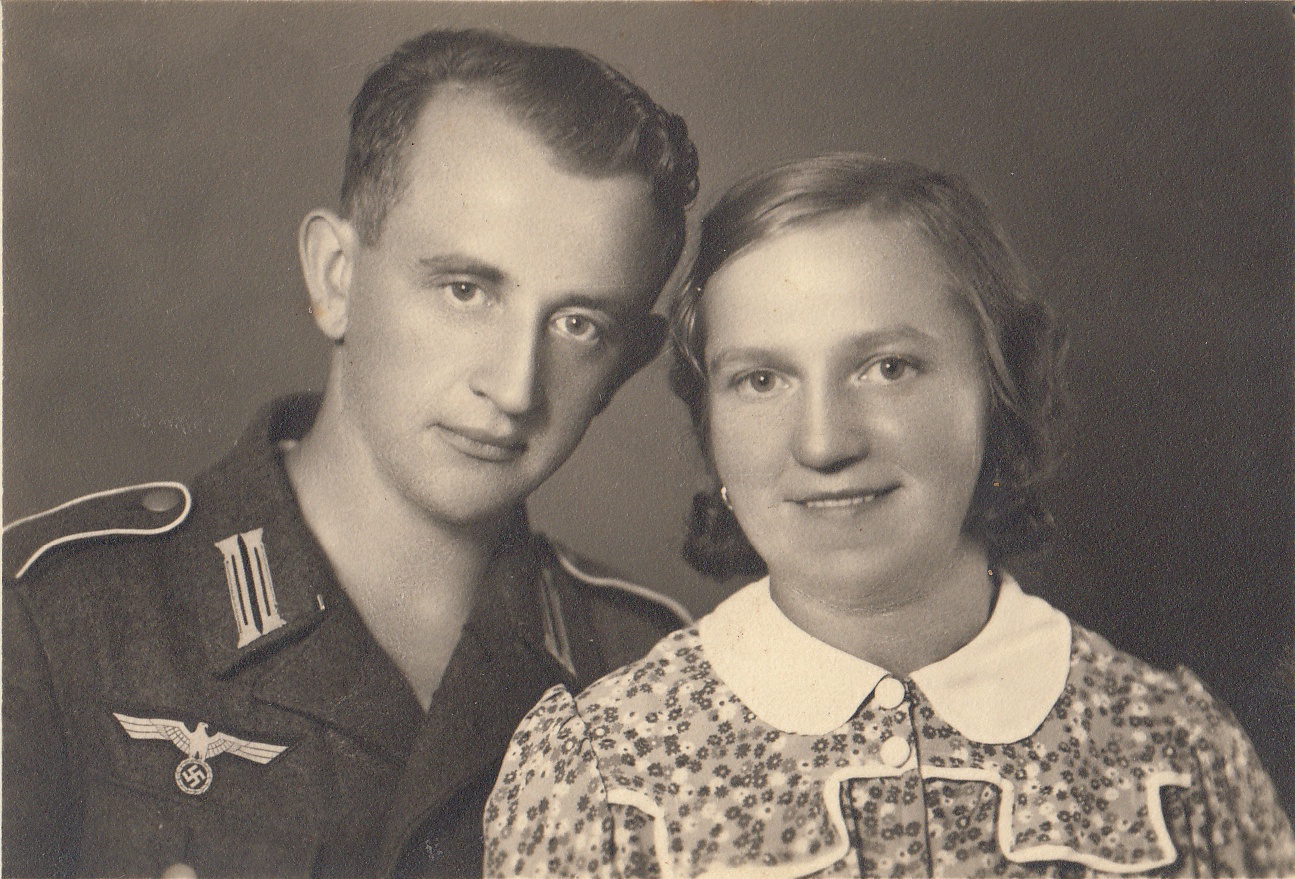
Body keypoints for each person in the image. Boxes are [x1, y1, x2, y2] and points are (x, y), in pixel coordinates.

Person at [3, 29, 698, 879]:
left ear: (626, 364)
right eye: (465, 290)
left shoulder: (655, 675)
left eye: (578, 324)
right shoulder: (55, 615)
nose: (514, 385)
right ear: (336, 277)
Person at [483, 154, 1295, 877]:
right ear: (709, 425)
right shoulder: (600, 770)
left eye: (886, 367)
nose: (823, 441)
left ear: (999, 390)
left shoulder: (1177, 754)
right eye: (760, 380)